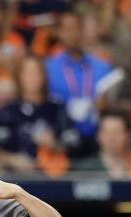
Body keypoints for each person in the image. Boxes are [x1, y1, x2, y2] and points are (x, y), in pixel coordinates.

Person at [0, 55, 77, 176]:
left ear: (43, 77)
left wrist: (54, 145)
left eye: (36, 73)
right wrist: (13, 159)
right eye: (27, 73)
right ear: (19, 77)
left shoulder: (57, 108)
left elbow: (75, 147)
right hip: (15, 179)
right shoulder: (8, 110)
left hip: (53, 178)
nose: (31, 78)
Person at [45, 11, 113, 157]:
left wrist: (104, 105)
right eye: (67, 29)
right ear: (59, 33)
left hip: (97, 135)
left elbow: (111, 102)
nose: (72, 34)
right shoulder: (48, 68)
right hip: (61, 135)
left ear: (83, 31)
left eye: (76, 28)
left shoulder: (102, 66)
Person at [73, 109, 131, 178]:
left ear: (128, 135)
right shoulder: (85, 169)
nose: (112, 138)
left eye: (117, 132)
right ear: (98, 136)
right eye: (107, 132)